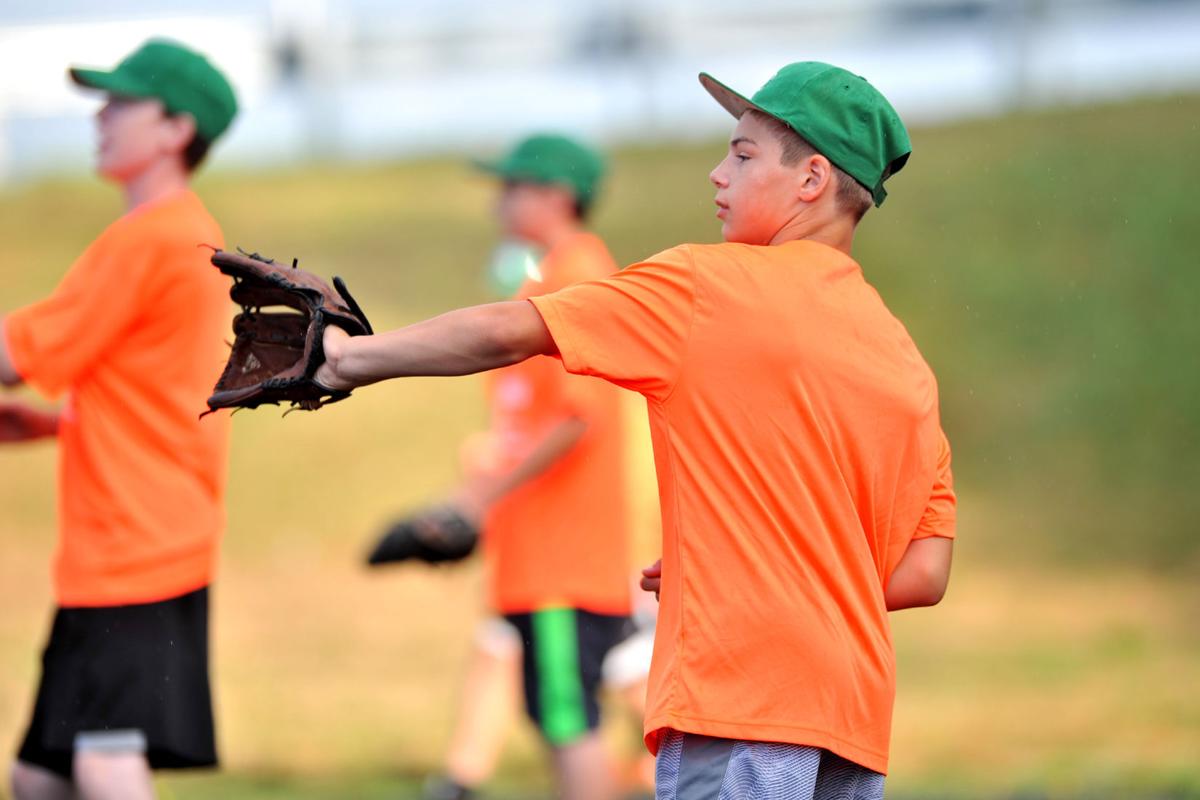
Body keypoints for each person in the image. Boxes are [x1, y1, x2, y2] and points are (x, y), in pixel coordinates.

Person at [315, 61, 956, 799]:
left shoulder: (710, 288)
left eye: (743, 154)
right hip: (851, 714)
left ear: (812, 179)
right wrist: (742, 573)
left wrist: (347, 359)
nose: (718, 174)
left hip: (741, 700)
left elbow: (505, 333)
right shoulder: (904, 359)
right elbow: (922, 575)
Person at [0, 39, 238, 800]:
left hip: (134, 544)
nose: (102, 117)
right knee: (40, 777)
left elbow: (14, 352)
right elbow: (148, 384)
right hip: (137, 534)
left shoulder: (150, 237)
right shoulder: (184, 231)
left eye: (122, 103)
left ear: (175, 130)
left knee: (105, 760)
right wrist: (54, 425)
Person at [411, 135, 638, 800]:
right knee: (558, 715)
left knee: (573, 723)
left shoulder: (580, 276)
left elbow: (579, 416)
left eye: (514, 188)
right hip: (537, 557)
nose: (500, 202)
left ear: (558, 197)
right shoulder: (547, 276)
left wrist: (483, 499)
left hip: (565, 559)